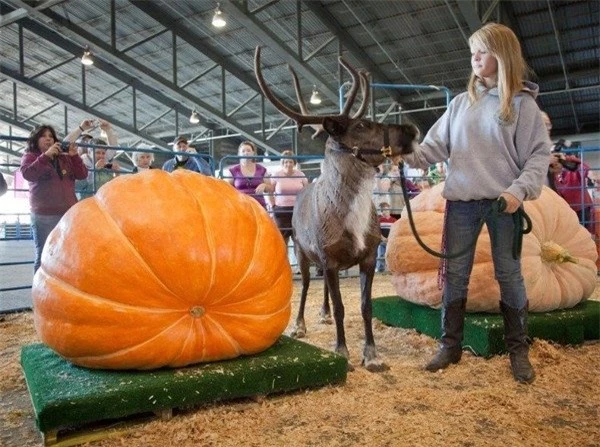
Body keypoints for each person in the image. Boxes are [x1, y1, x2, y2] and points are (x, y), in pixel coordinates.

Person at [401, 23, 551, 384]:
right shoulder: (460, 104)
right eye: (473, 51)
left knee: (508, 274)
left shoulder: (521, 104)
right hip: (463, 204)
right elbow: (432, 150)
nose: (475, 57)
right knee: (454, 275)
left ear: (502, 55)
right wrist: (405, 151)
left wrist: (517, 192)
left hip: (504, 205)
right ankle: (450, 346)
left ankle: (518, 350)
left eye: (482, 51)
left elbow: (537, 156)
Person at [20, 123, 90, 273]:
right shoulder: (29, 156)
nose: (48, 139)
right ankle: (39, 293)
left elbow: (82, 174)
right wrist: (45, 157)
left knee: (70, 253)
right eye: (43, 136)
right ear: (35, 139)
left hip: (68, 214)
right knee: (44, 254)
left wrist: (75, 156)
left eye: (50, 136)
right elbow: (28, 174)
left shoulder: (64, 157)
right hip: (44, 215)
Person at [267, 150, 308, 268]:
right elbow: (270, 190)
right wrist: (273, 205)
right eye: (285, 162)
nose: (288, 164)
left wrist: (305, 207)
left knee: (298, 241)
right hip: (281, 211)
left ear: (294, 162)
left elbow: (307, 190)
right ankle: (283, 267)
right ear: (282, 162)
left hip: (297, 211)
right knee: (282, 241)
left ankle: (299, 267)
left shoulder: (300, 174)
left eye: (290, 161)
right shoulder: (276, 175)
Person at [227, 141, 270, 207]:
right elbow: (227, 189)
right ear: (239, 154)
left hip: (259, 206)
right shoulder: (233, 170)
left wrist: (265, 185)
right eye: (243, 151)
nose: (246, 153)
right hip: (240, 206)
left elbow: (271, 188)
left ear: (253, 153)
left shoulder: (262, 169)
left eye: (248, 150)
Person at [376, 202, 397, 272]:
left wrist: (390, 238)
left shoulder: (394, 220)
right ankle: (380, 268)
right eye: (383, 210)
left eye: (387, 210)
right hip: (382, 240)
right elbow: (378, 230)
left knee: (390, 254)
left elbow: (395, 230)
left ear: (389, 210)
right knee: (381, 254)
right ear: (381, 212)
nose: (385, 212)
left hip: (391, 240)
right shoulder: (380, 220)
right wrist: (383, 238)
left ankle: (391, 268)